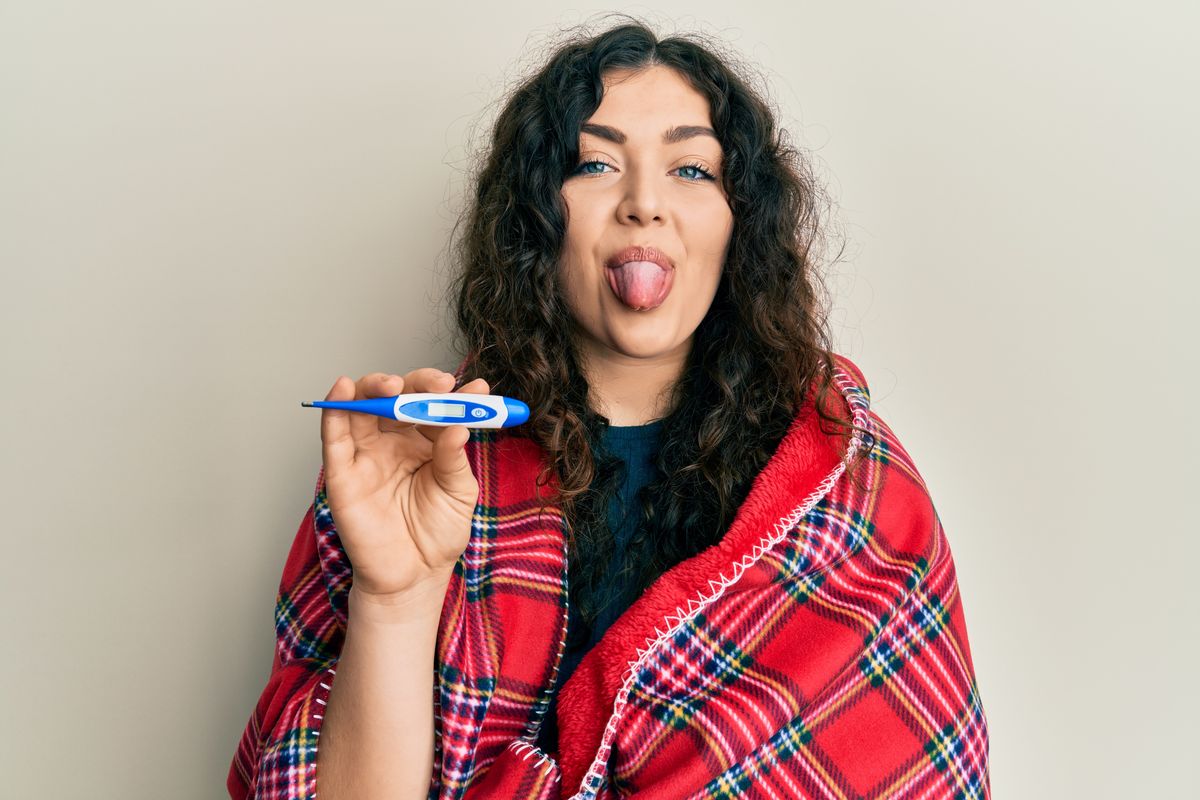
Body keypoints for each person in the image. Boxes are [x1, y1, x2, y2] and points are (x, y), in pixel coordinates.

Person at [228, 16, 990, 800]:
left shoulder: (852, 485)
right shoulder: (419, 460)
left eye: (691, 170)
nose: (643, 203)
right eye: (594, 163)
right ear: (537, 219)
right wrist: (396, 598)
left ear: (741, 224)